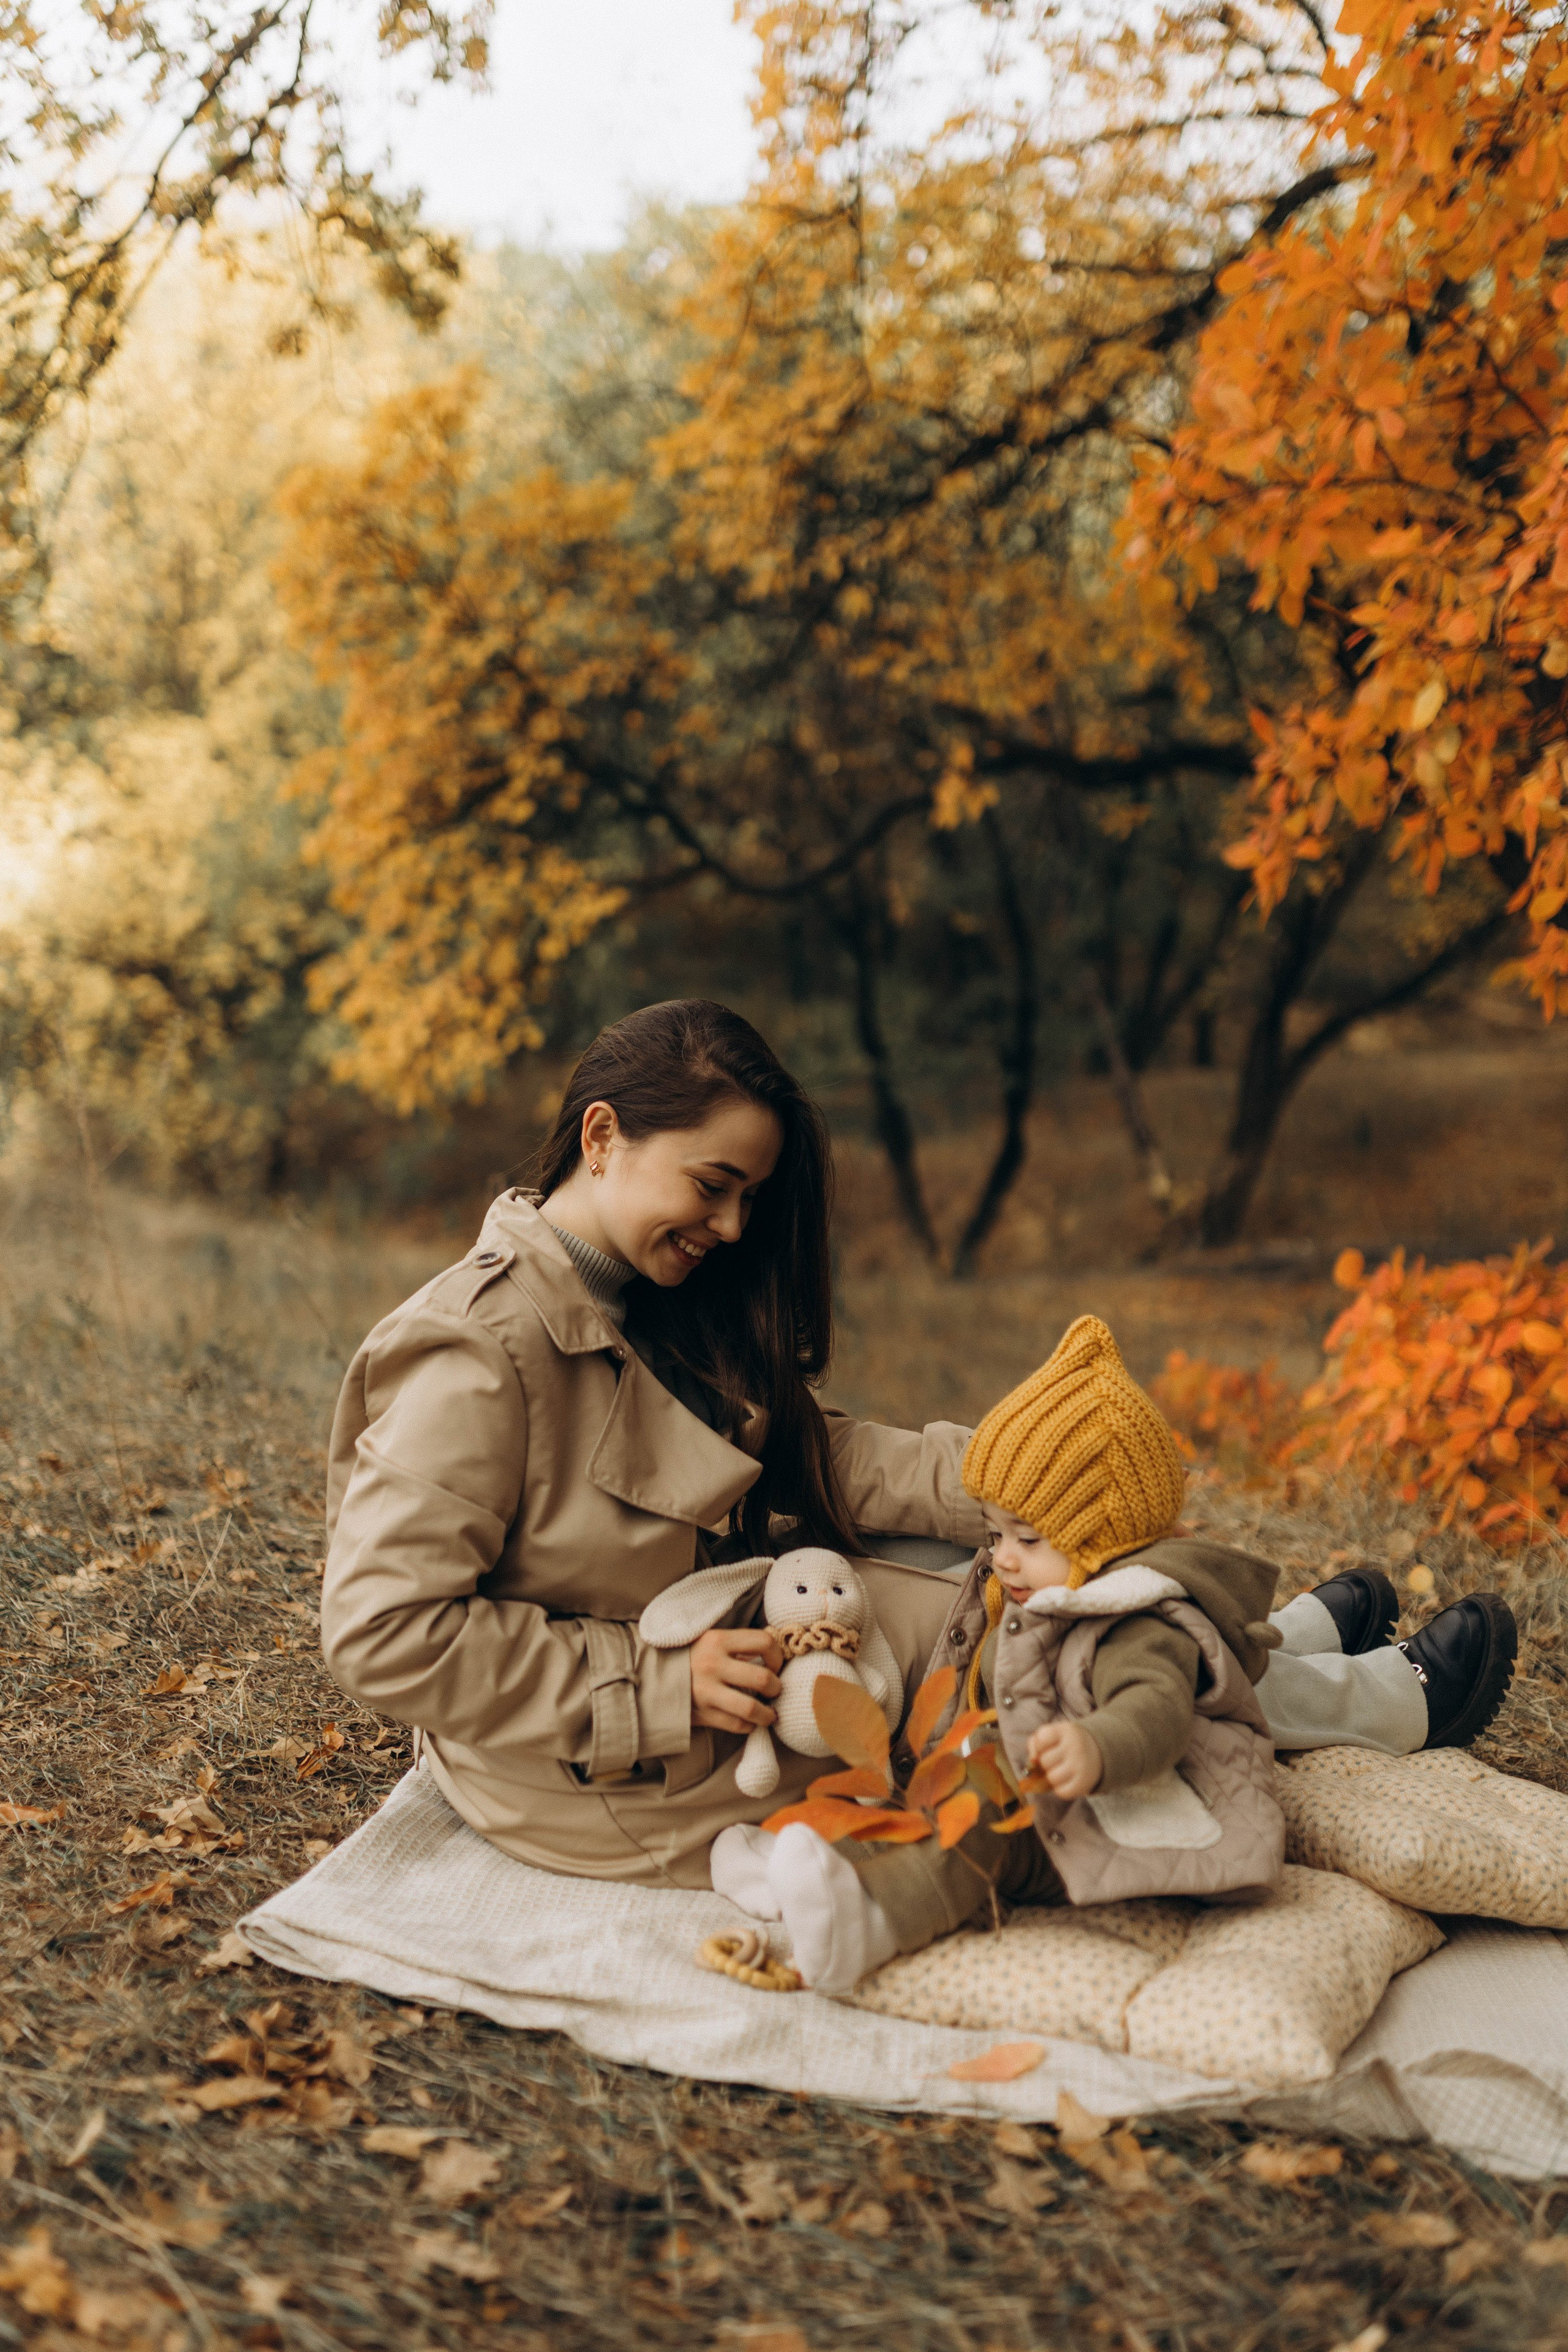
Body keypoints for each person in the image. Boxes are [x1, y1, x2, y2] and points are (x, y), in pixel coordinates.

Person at [318, 997, 1516, 1921]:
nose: (731, 1228)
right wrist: (656, 1686)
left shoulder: (634, 1294)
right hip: (604, 1771)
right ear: (602, 1136)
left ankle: (1278, 1644)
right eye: (712, 1185)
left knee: (1018, 1548)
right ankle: (1373, 1705)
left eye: (748, 1198)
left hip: (713, 1637)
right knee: (1007, 1630)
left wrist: (1005, 1480)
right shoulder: (476, 1353)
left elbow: (804, 1460)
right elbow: (377, 1631)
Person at [712, 1316, 1518, 1992]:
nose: (1000, 1556)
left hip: (1107, 1799)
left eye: (1025, 1538)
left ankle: (1395, 1701)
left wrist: (1098, 1746)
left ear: (1104, 1549)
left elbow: (1156, 1708)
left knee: (1000, 1806)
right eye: (995, 1535)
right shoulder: (1040, 1586)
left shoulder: (1126, 1618)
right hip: (1028, 1763)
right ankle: (1298, 1629)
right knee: (949, 1793)